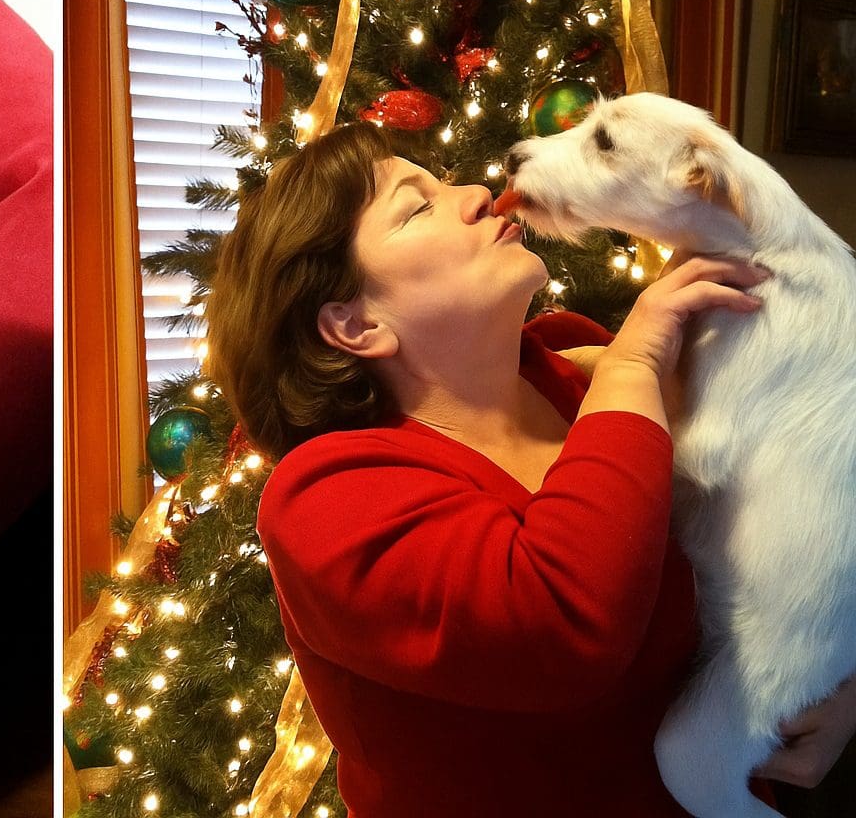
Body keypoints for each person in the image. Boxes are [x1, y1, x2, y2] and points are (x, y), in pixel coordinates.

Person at [204, 122, 856, 817]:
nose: (477, 194)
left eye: (443, 182)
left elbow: (821, 506)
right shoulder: (326, 498)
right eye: (417, 207)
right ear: (356, 325)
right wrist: (632, 366)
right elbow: (564, 626)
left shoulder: (575, 368)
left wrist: (842, 684)